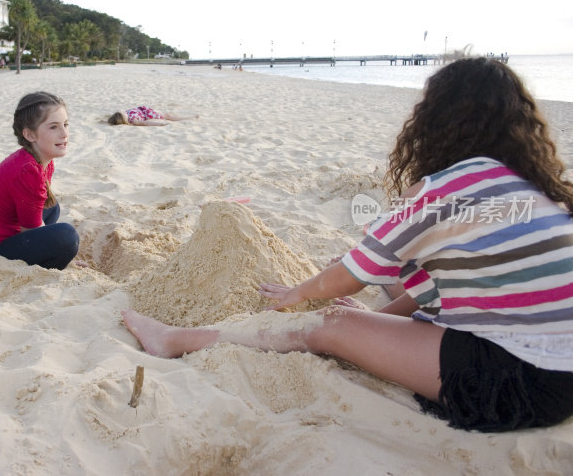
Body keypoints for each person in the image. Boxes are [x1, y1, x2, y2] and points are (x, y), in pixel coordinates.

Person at [122, 57, 573, 433]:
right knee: (381, 298)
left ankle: (175, 339)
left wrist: (298, 294)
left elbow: (349, 278)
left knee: (328, 323)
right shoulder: (537, 192)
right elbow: (435, 292)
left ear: (437, 122)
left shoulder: (447, 188)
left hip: (512, 382)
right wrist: (377, 325)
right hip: (562, 380)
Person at [0, 91, 79, 270]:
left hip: (3, 231)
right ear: (30, 135)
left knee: (51, 207)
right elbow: (31, 230)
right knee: (67, 237)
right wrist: (65, 255)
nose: (64, 133)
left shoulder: (42, 160)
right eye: (53, 127)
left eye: (66, 124)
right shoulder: (28, 170)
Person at [107, 106, 197, 126]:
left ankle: (188, 117)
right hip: (148, 114)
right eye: (123, 113)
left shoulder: (122, 114)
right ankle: (190, 117)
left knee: (168, 114)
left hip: (146, 110)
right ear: (124, 119)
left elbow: (112, 119)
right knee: (168, 116)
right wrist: (161, 124)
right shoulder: (133, 120)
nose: (123, 111)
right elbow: (145, 123)